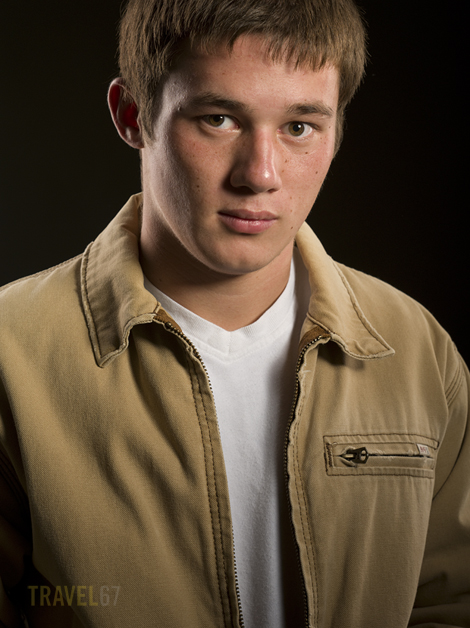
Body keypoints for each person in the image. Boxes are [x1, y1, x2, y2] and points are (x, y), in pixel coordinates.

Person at [0, 0, 468, 626]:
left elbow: (449, 603)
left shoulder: (416, 350)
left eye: (299, 126)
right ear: (133, 115)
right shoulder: (12, 353)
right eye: (218, 119)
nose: (260, 174)